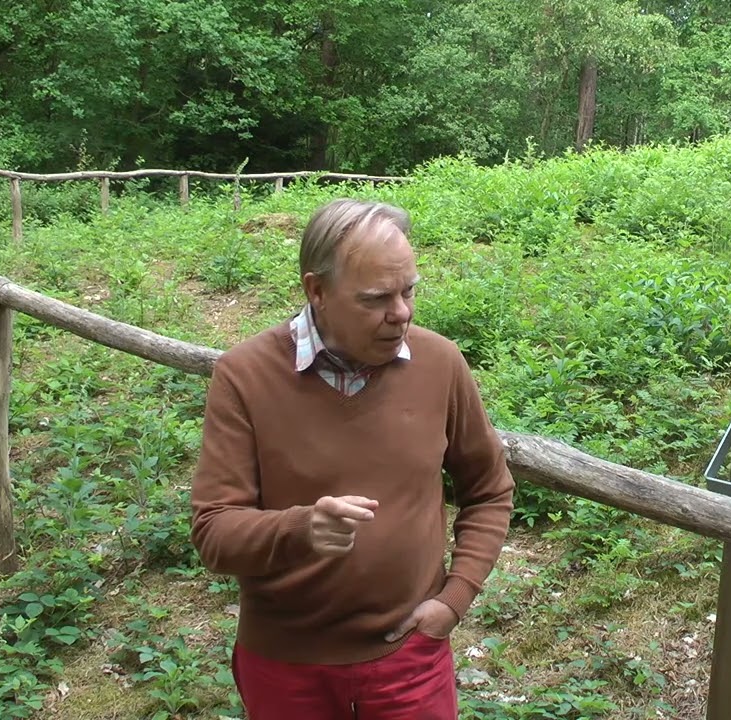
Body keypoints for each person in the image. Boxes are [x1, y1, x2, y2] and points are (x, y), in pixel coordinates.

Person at [190, 198, 515, 720]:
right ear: (316, 290)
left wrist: (455, 597)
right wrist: (301, 529)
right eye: (375, 299)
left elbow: (489, 489)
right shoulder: (245, 376)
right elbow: (214, 533)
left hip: (410, 655)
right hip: (285, 664)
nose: (401, 313)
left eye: (409, 291)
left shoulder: (440, 363)